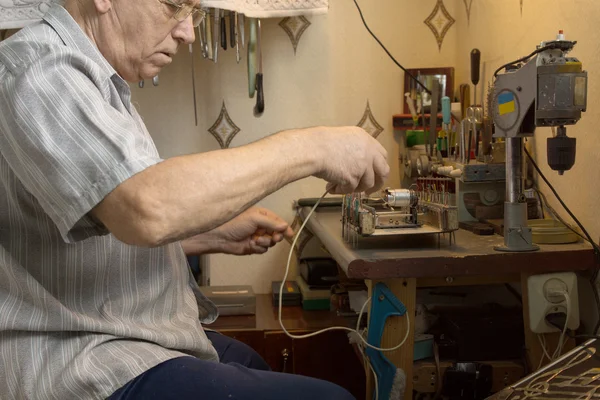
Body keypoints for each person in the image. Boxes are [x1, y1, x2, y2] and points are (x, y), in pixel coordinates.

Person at [0, 0, 389, 398]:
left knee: (253, 362)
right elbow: (146, 209)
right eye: (174, 6)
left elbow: (92, 224)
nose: (187, 32)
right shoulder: (40, 69)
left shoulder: (94, 79)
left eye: (195, 13)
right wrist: (315, 147)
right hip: (81, 363)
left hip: (126, 338)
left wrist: (211, 234)